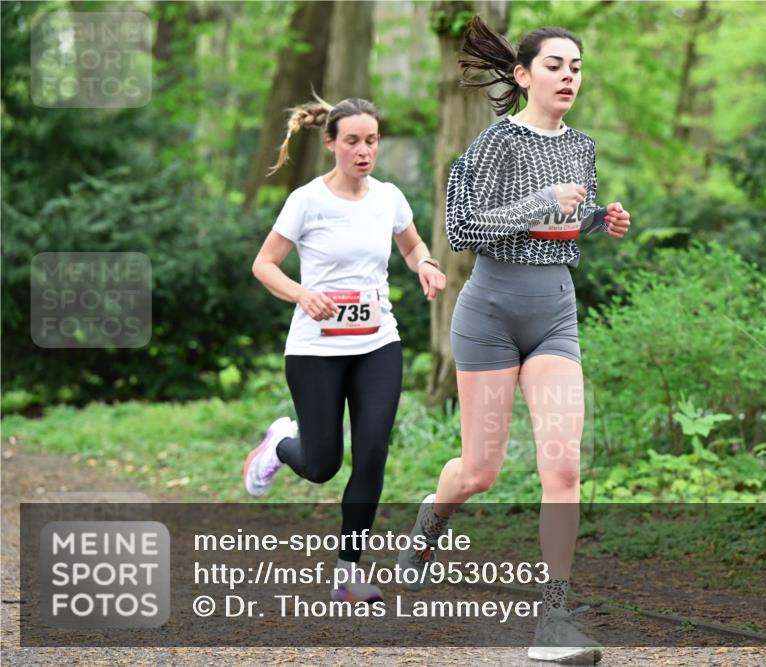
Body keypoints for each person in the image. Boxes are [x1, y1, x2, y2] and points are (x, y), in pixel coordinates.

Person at [396, 17, 631, 664]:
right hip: (491, 315)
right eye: (555, 65)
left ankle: (552, 618)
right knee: (480, 471)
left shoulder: (581, 147)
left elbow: (565, 220)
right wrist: (541, 201)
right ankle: (429, 522)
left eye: (577, 67)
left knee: (563, 466)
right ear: (524, 75)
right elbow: (465, 228)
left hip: (554, 312)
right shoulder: (495, 143)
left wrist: (596, 218)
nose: (568, 77)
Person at [244, 96, 446, 604]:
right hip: (316, 349)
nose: (363, 151)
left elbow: (411, 245)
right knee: (322, 465)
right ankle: (279, 444)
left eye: (372, 141)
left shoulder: (389, 198)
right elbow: (264, 265)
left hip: (378, 342)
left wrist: (425, 263)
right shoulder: (307, 201)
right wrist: (301, 293)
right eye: (352, 141)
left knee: (373, 452)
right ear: (331, 142)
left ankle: (347, 572)